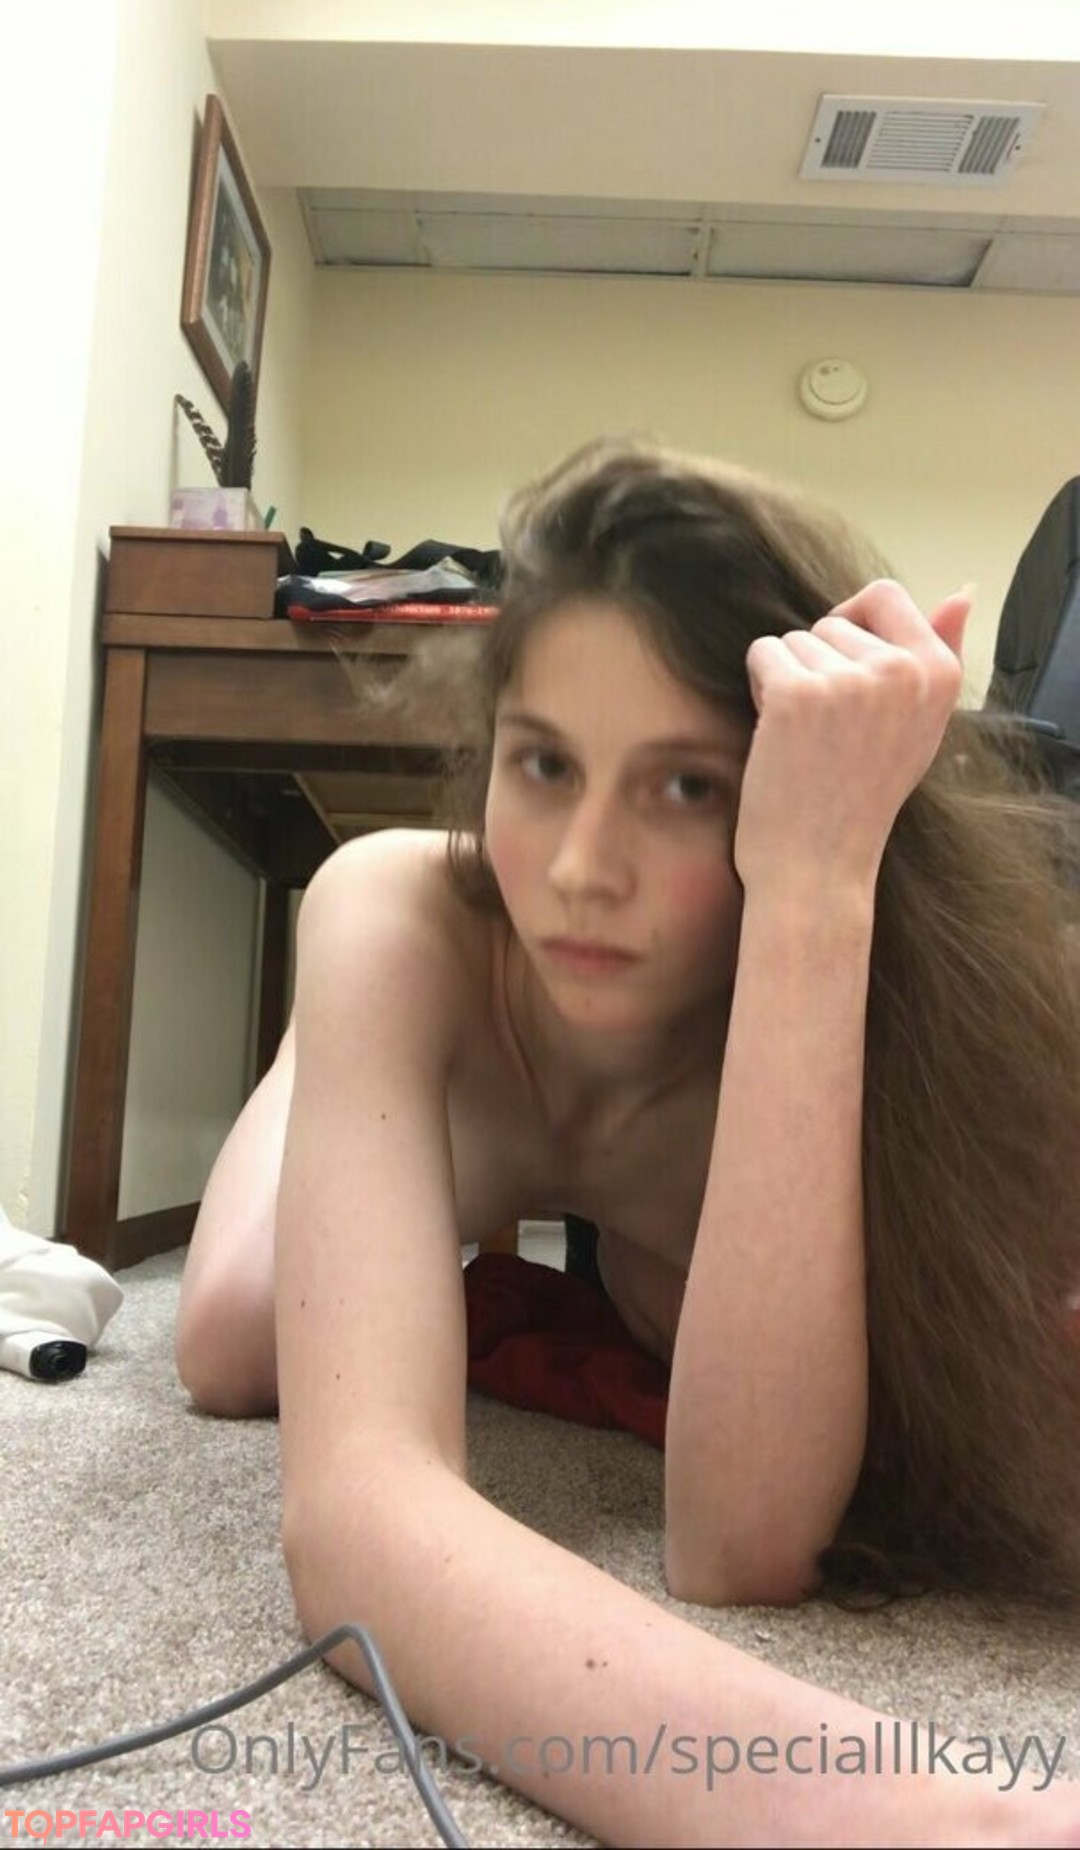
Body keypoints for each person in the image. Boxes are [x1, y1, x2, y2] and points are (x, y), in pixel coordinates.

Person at [176, 437, 1080, 1847]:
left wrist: (815, 889)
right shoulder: (405, 913)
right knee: (232, 1335)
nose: (583, 869)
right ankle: (337, 1059)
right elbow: (357, 1523)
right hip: (477, 1062)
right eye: (544, 762)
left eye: (686, 787)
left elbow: (740, 1546)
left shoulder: (865, 982)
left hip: (694, 1109)